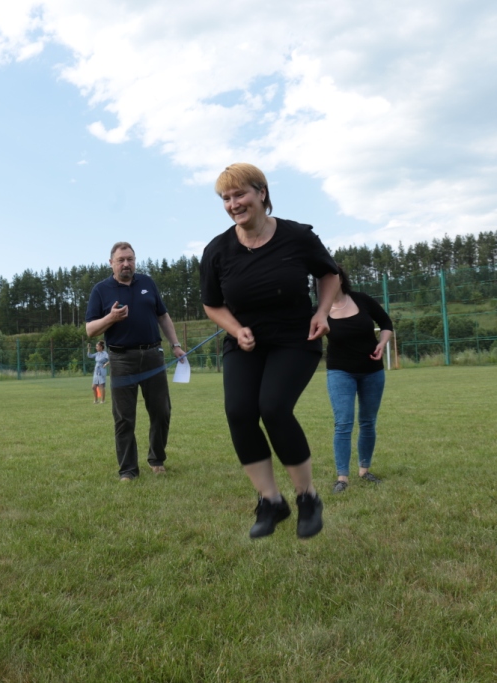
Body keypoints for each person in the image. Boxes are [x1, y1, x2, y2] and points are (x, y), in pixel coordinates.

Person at [200, 163, 340, 540]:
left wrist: (322, 312)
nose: (233, 204)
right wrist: (236, 329)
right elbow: (212, 304)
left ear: (261, 193)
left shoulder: (297, 237)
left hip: (296, 338)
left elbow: (329, 274)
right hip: (245, 343)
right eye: (226, 198)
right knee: (239, 412)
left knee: (274, 407)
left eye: (240, 194)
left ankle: (308, 497)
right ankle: (271, 501)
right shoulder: (217, 251)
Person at [85, 242, 187, 480]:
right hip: (121, 359)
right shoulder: (101, 290)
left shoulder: (147, 283)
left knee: (161, 411)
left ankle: (157, 459)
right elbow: (90, 330)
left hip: (153, 356)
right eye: (120, 260)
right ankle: (128, 470)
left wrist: (175, 345)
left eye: (130, 259)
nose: (126, 264)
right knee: (124, 417)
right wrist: (110, 318)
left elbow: (163, 316)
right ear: (111, 263)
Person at [325, 263, 393, 494]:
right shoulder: (319, 310)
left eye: (331, 277)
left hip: (372, 371)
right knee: (343, 423)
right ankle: (342, 478)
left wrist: (382, 344)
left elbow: (386, 324)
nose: (327, 282)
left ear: (340, 279)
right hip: (340, 372)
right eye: (322, 279)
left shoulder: (362, 299)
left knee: (367, 422)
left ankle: (365, 470)